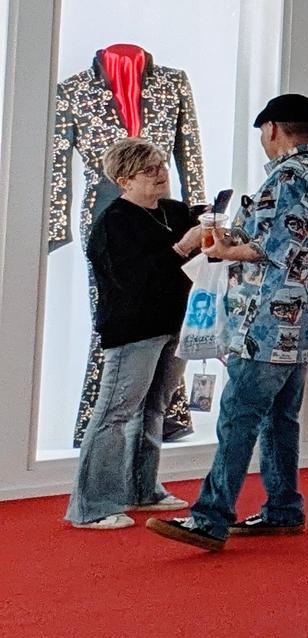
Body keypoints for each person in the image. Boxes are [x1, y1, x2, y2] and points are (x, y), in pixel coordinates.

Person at [153, 94, 308, 553]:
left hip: (265, 324)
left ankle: (210, 516)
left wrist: (220, 249)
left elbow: (273, 248)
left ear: (273, 130)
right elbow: (301, 243)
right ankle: (283, 507)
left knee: (239, 418)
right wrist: (237, 237)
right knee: (280, 418)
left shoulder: (286, 179)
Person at [68, 138, 213, 529]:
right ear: (123, 179)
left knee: (154, 410)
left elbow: (198, 260)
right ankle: (92, 506)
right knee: (114, 414)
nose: (161, 173)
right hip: (133, 329)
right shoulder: (112, 222)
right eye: (149, 169)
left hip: (175, 324)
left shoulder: (174, 210)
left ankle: (141, 489)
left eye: (161, 165)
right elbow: (133, 281)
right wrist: (183, 246)